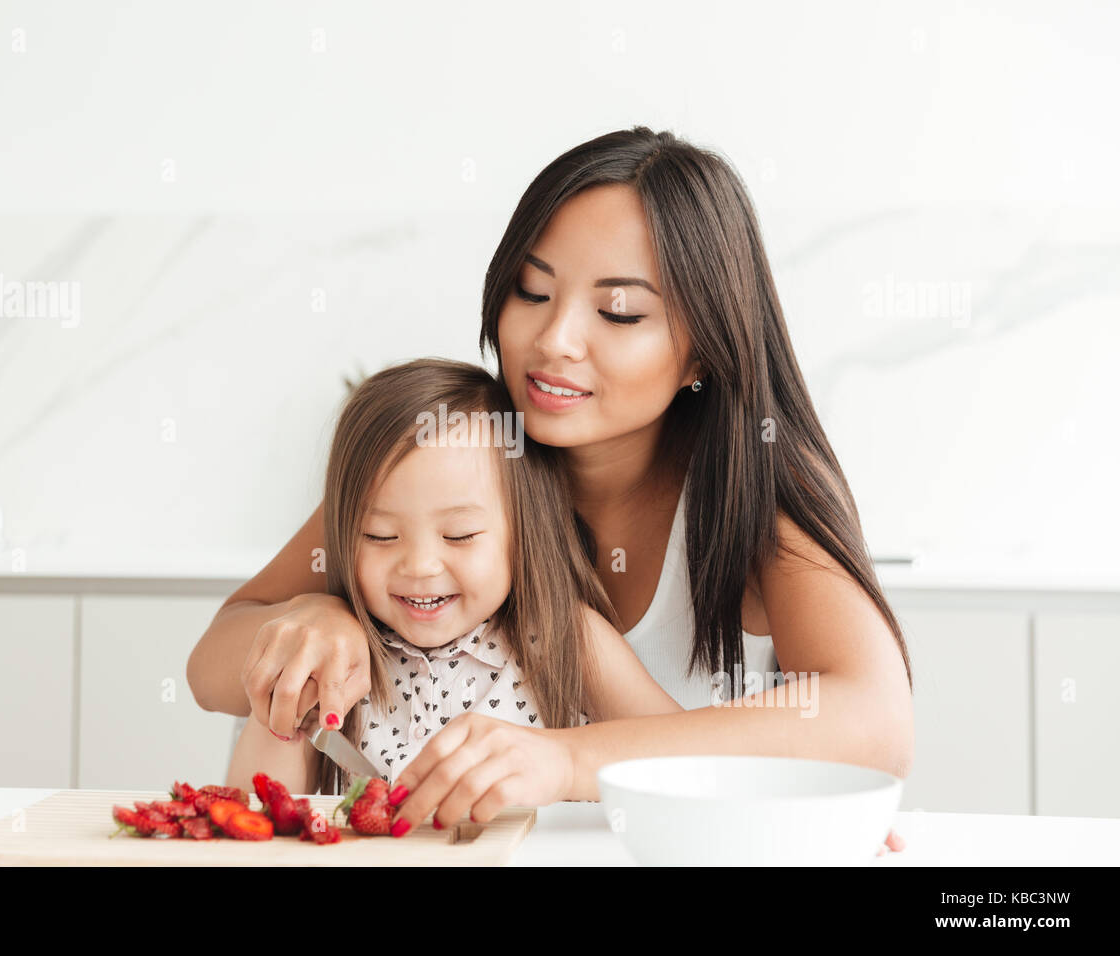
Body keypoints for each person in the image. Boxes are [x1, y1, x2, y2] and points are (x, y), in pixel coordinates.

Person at [189, 126, 912, 852]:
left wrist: (570, 760)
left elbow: (874, 720)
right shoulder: (455, 456)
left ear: (704, 346)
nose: (555, 338)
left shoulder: (757, 491)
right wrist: (315, 616)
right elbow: (209, 665)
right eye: (532, 291)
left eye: (619, 311)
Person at [225, 359, 685, 834]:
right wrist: (281, 705)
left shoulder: (565, 635)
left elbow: (683, 759)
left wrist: (569, 766)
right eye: (380, 536)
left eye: (460, 535)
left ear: (522, 532)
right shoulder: (337, 661)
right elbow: (254, 823)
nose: (420, 567)